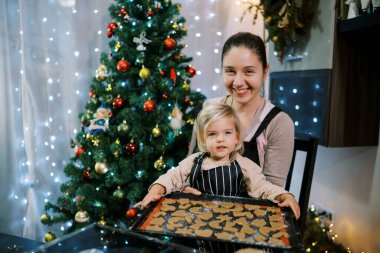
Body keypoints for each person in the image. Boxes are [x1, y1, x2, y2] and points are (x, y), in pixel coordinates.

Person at [134, 103, 300, 252]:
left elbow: (263, 188)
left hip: (238, 233)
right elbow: (173, 176)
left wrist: (284, 195)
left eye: (227, 132)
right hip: (204, 232)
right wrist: (156, 189)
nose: (220, 139)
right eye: (212, 134)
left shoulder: (243, 164)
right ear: (204, 140)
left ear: (236, 138)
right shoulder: (194, 161)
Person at [188, 32, 294, 188]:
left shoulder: (278, 122)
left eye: (249, 71)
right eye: (230, 71)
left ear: (265, 72)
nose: (238, 82)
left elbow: (272, 193)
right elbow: (190, 165)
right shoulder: (208, 109)